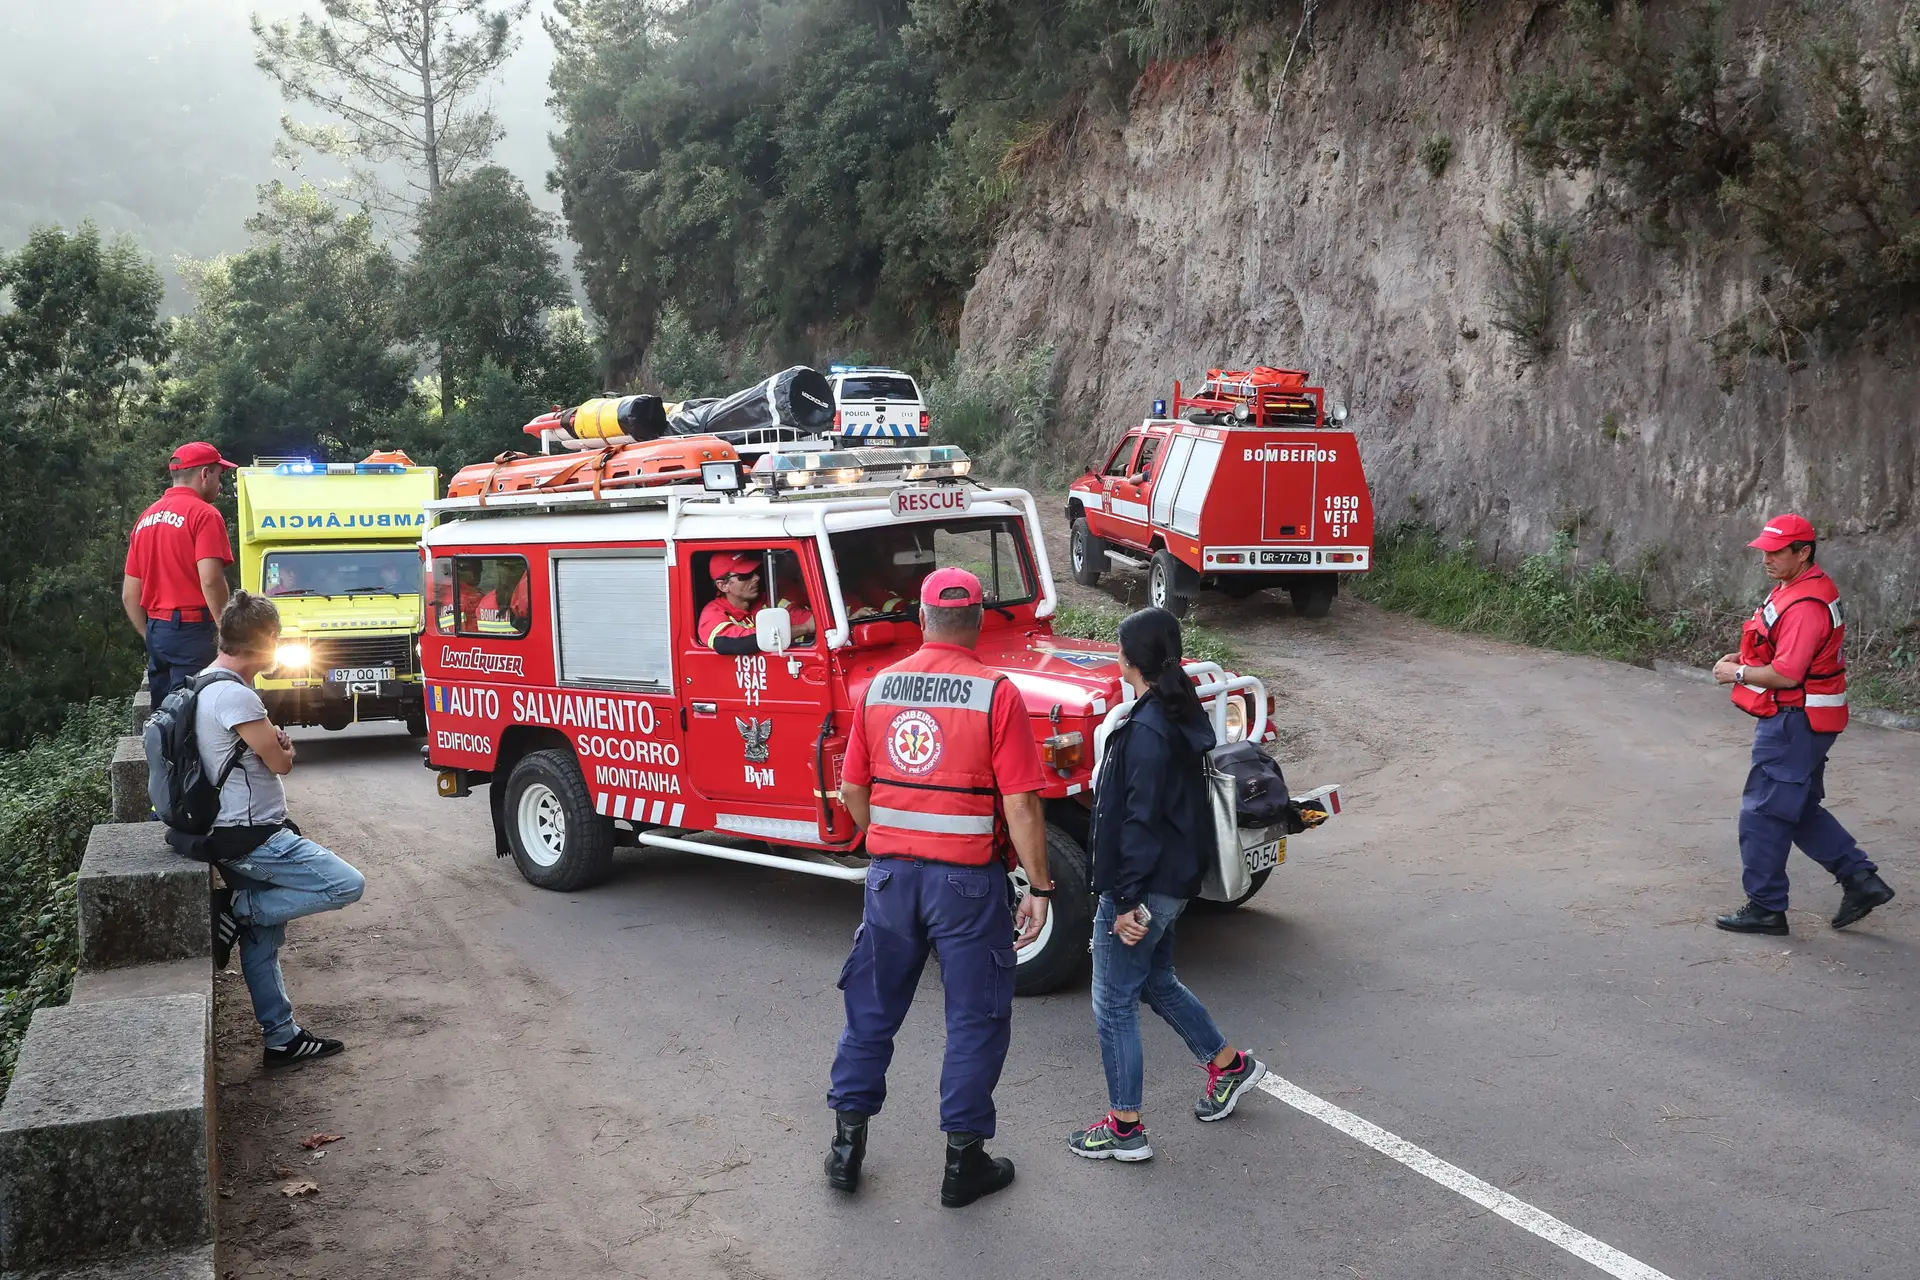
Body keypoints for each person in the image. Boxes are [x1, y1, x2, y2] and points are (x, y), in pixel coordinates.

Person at [824, 568, 1054, 1208]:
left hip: (892, 879)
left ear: (921, 620)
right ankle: (963, 1165)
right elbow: (1022, 806)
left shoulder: (877, 689)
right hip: (968, 888)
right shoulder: (996, 694)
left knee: (871, 1013)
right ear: (979, 621)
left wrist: (889, 842)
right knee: (974, 1019)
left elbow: (852, 792)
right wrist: (1039, 886)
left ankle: (846, 1149)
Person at [1069, 606, 1265, 1164]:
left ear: (1130, 659)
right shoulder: (1181, 712)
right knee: (1156, 981)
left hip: (1143, 888)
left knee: (1113, 1005)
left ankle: (1124, 1129)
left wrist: (1126, 900)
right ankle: (1229, 1066)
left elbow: (1138, 822)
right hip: (1174, 882)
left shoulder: (1148, 729)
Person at [198, 591, 367, 1068]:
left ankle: (281, 1038)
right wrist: (284, 750)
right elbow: (281, 762)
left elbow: (256, 749)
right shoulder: (235, 693)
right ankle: (239, 907)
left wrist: (273, 743)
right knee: (345, 884)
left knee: (262, 940)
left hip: (233, 830)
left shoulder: (204, 683)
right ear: (265, 641)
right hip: (252, 835)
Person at [1711, 514, 1895, 935]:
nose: (1766, 559)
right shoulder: (1799, 588)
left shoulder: (1807, 604)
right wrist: (1746, 659)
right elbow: (1786, 653)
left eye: (1776, 552)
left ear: (1803, 552)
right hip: (1807, 721)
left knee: (1762, 814)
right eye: (1764, 551)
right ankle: (1861, 880)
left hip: (1794, 722)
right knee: (1796, 809)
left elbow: (1789, 674)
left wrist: (1736, 674)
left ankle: (1766, 908)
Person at [122, 442, 237, 704]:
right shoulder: (205, 515)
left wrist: (151, 635)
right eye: (219, 475)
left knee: (166, 722)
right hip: (194, 633)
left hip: (157, 631)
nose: (220, 484)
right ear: (205, 474)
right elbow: (210, 580)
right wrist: (227, 633)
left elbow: (130, 595)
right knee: (196, 719)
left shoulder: (145, 518)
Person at [697, 551, 815, 653]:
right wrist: (804, 628)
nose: (756, 578)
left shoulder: (767, 601)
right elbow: (739, 642)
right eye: (746, 576)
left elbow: (804, 618)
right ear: (723, 586)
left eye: (755, 572)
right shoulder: (712, 614)